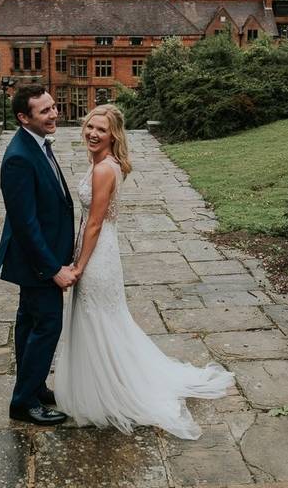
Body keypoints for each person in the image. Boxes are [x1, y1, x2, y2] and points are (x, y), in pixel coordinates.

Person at [55, 104, 235, 440]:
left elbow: (94, 222)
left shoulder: (103, 170)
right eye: (90, 127)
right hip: (104, 250)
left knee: (97, 319)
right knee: (104, 319)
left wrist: (79, 263)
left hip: (96, 256)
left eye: (101, 130)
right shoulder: (107, 163)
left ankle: (111, 392)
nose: (93, 133)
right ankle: (104, 383)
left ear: (114, 135)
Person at [0, 84, 77, 426]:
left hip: (42, 258)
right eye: (44, 111)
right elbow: (25, 225)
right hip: (36, 263)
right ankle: (23, 403)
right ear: (23, 117)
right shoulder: (18, 157)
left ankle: (33, 387)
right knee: (47, 326)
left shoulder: (38, 143)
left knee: (30, 324)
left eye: (53, 107)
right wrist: (52, 269)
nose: (54, 114)